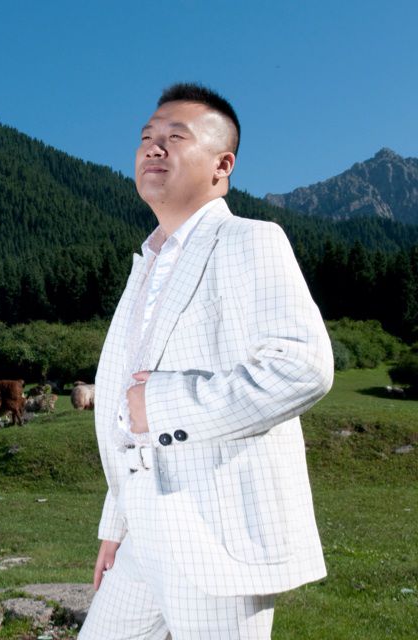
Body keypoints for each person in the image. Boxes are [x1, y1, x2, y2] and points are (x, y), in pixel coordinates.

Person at [79, 83, 334, 639]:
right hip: (142, 533)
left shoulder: (250, 239)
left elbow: (302, 367)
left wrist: (163, 403)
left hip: (213, 537)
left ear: (222, 166)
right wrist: (115, 525)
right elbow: (127, 420)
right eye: (146, 137)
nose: (153, 147)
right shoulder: (147, 264)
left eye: (176, 137)